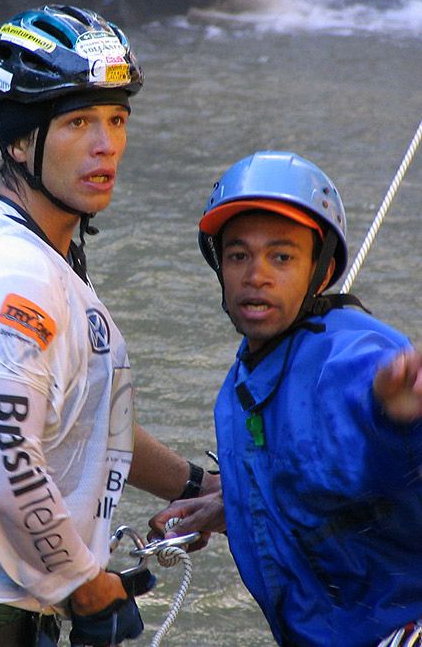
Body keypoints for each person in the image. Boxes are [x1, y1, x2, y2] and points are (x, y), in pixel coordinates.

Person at [0, 5, 218, 647]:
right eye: (79, 122)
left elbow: (76, 420)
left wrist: (202, 486)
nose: (106, 143)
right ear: (20, 141)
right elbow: (9, 464)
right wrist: (86, 586)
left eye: (116, 119)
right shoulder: (15, 280)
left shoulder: (9, 250)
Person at [149, 151, 422, 647]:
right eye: (238, 255)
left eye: (282, 256)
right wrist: (232, 505)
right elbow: (320, 484)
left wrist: (401, 416)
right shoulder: (239, 387)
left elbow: (372, 416)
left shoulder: (356, 356)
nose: (257, 274)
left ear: (322, 270)